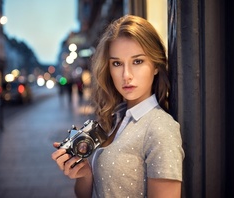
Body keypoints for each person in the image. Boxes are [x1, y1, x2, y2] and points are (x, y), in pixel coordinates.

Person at [52, 15, 184, 198]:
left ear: (155, 65)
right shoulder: (117, 117)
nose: (126, 75)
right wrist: (85, 174)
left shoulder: (160, 129)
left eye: (137, 61)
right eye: (117, 63)